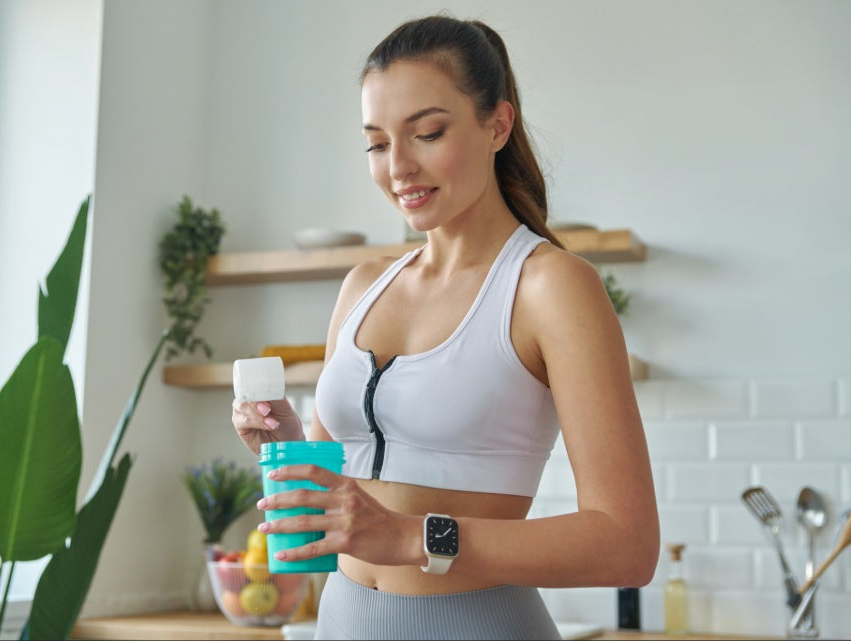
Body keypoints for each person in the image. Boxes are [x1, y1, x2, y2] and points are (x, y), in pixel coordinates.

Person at [231, 14, 659, 640]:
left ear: (497, 125)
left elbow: (628, 544)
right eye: (377, 144)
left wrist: (410, 536)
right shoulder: (362, 286)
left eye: (427, 133)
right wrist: (288, 444)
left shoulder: (550, 288)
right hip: (341, 622)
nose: (398, 167)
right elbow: (339, 506)